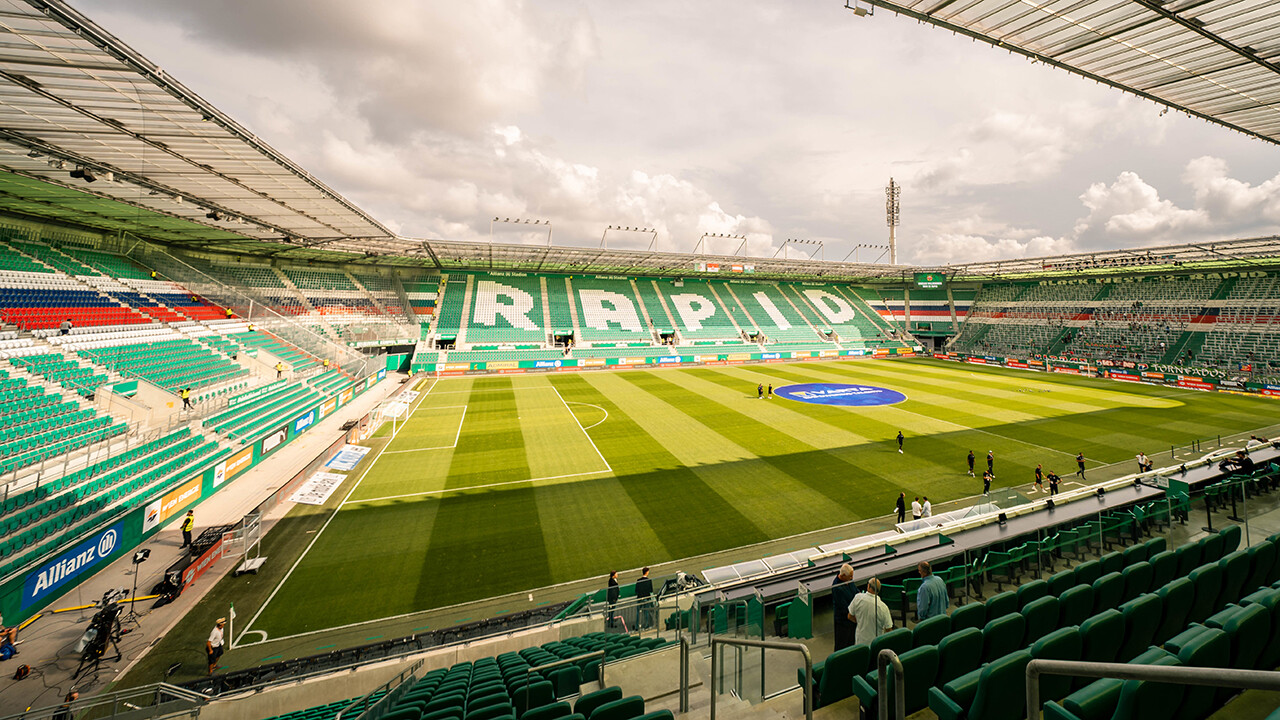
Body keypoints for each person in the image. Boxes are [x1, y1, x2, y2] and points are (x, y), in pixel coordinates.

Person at [847, 577, 893, 646]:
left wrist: (860, 621)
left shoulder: (858, 598)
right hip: (876, 644)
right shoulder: (883, 607)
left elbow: (849, 616)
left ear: (868, 586)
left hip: (860, 642)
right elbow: (889, 629)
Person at [831, 564, 858, 651]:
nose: (851, 578)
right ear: (843, 576)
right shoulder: (837, 587)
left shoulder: (849, 580)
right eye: (850, 576)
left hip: (852, 618)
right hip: (843, 621)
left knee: (850, 643)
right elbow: (844, 608)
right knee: (841, 646)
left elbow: (856, 592)